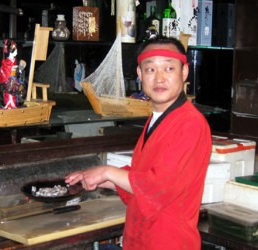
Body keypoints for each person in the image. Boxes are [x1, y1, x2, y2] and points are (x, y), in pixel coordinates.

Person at [65, 36, 212, 249]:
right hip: (142, 238)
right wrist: (100, 178)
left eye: (169, 69)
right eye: (150, 70)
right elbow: (141, 178)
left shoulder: (190, 123)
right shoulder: (157, 118)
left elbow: (158, 185)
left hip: (169, 242)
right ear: (139, 74)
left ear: (184, 72)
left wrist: (107, 172)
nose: (159, 78)